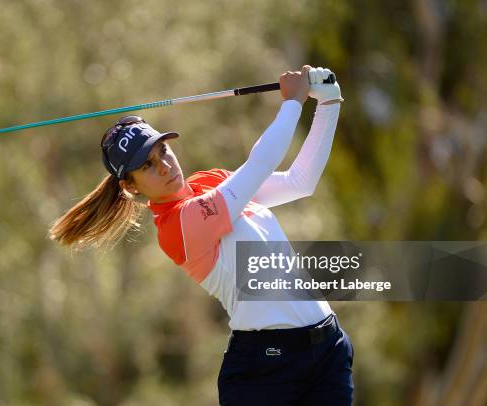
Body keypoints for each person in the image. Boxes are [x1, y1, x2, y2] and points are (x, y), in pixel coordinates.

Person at [50, 65, 354, 405]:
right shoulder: (176, 227)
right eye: (147, 166)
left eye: (162, 151)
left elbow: (300, 182)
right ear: (130, 186)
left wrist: (329, 103)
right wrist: (293, 103)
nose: (164, 165)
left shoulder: (211, 182)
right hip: (268, 370)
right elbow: (259, 165)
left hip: (328, 350)